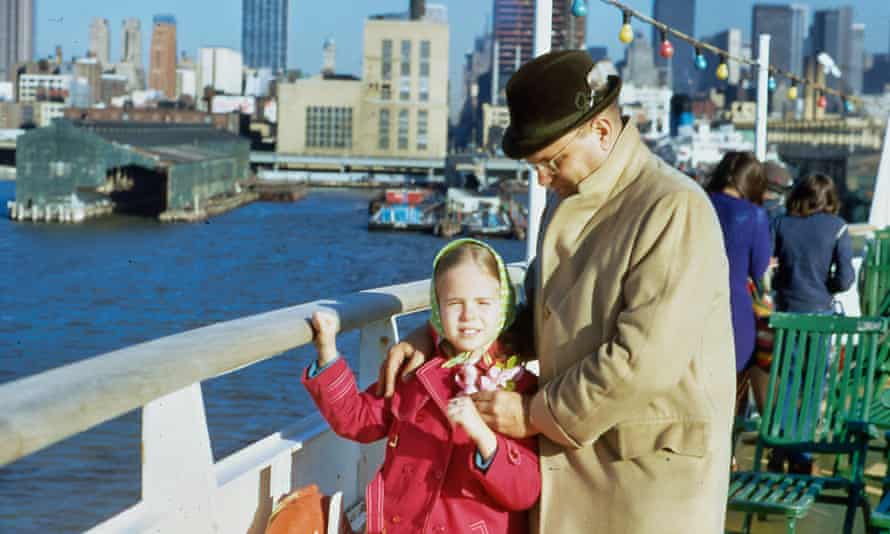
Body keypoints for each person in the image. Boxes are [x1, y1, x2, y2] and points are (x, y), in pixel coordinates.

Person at [378, 50, 736, 533]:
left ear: (602, 133)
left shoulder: (672, 208)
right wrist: (436, 334)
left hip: (648, 478)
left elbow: (643, 361)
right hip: (587, 462)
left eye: (551, 161)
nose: (541, 178)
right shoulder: (571, 196)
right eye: (535, 166)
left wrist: (530, 414)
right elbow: (534, 318)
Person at [303, 238, 540, 534]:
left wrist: (481, 434)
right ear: (437, 310)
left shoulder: (518, 391)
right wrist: (327, 353)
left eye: (483, 303)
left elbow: (524, 491)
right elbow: (358, 419)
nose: (468, 316)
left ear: (502, 306)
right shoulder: (415, 374)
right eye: (455, 303)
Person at [768, 173, 855, 474]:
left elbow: (769, 265)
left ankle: (780, 446)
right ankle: (801, 456)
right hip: (819, 314)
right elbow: (846, 279)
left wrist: (784, 282)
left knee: (788, 384)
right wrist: (827, 286)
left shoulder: (780, 223)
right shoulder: (838, 227)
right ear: (828, 199)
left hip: (788, 313)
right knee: (813, 385)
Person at [705, 152, 772, 417]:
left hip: (692, 305)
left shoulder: (697, 201)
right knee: (732, 393)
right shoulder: (754, 215)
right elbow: (758, 269)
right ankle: (728, 453)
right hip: (735, 312)